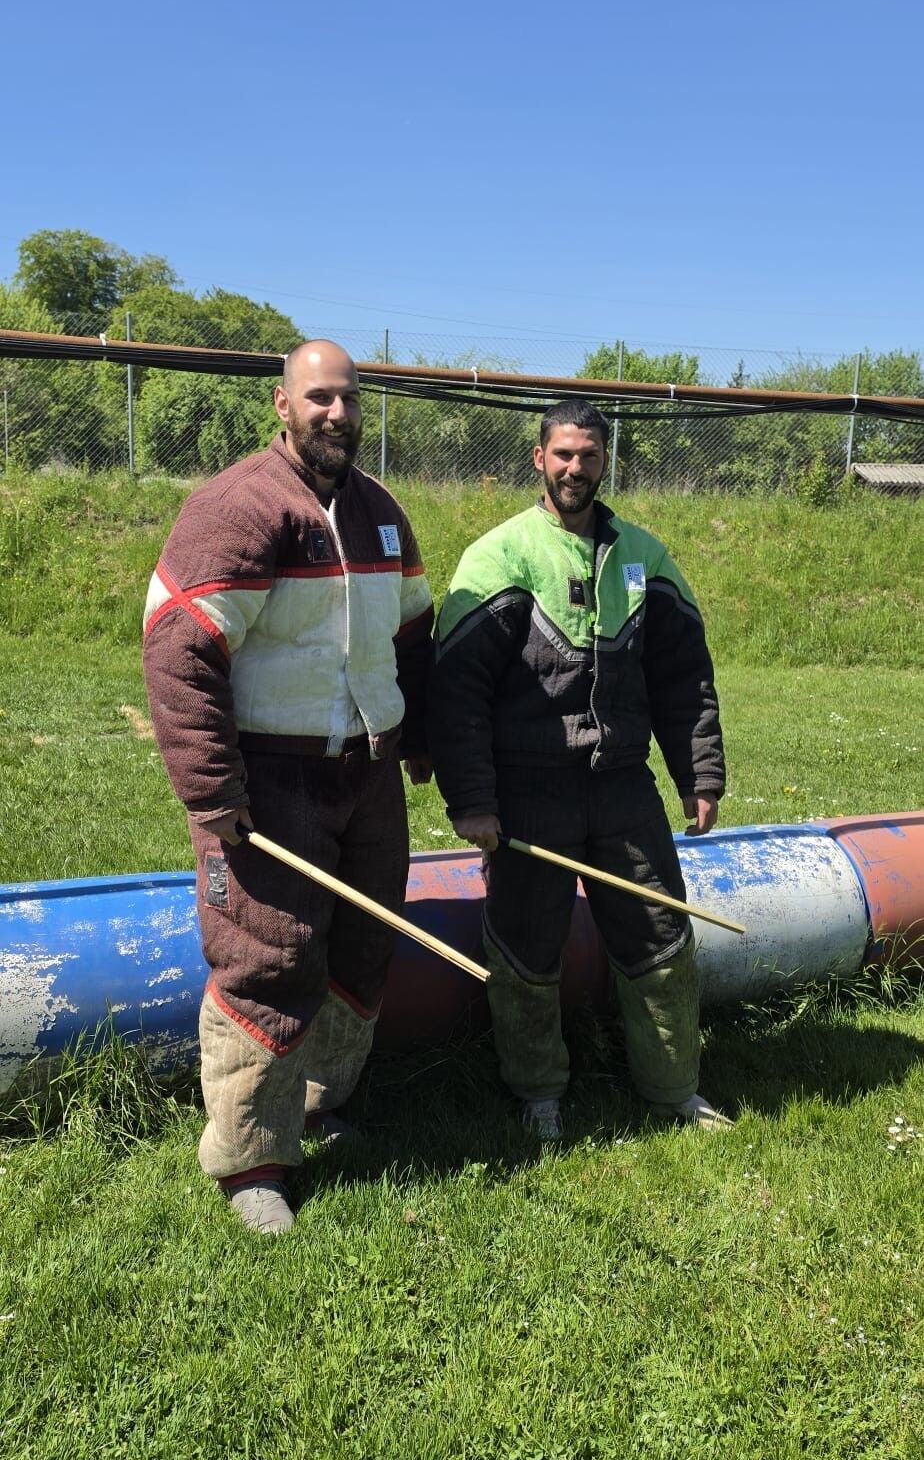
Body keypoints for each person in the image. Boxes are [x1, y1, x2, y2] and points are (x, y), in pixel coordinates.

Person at [143, 339, 433, 1232]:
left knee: (363, 945)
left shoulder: (382, 512)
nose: (336, 413)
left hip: (367, 774)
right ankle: (250, 1160)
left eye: (348, 398)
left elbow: (414, 638)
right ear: (282, 403)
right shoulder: (236, 507)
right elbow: (180, 645)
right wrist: (211, 787)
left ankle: (314, 1102)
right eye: (318, 398)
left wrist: (422, 740)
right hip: (270, 781)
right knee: (269, 957)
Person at [427, 396, 730, 1142]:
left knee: (662, 934)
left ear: (604, 462)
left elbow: (683, 676)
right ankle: (538, 1093)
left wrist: (700, 774)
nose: (575, 467)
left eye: (589, 455)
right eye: (563, 454)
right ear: (539, 458)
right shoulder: (499, 557)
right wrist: (473, 800)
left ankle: (674, 1090)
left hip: (625, 788)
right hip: (529, 791)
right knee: (525, 946)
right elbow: (457, 691)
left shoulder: (645, 557)